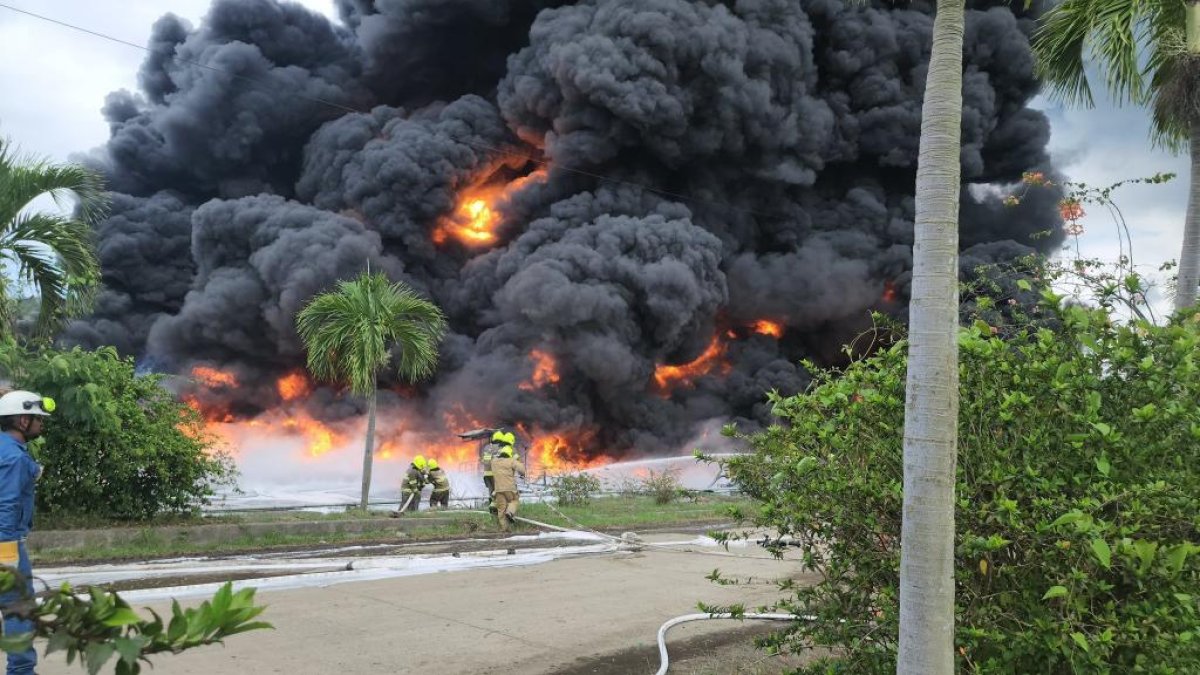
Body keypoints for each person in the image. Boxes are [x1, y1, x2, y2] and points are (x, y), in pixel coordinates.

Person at [0, 390, 52, 675]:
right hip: (6, 542)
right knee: (18, 609)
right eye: (37, 419)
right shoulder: (15, 459)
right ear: (23, 421)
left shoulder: (5, 449)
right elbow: (6, 505)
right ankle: (21, 671)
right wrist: (7, 555)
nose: (41, 424)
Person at [490, 443, 525, 532]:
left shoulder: (494, 461)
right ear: (509, 454)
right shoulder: (511, 461)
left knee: (501, 509)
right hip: (510, 488)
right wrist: (522, 474)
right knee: (514, 501)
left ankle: (505, 529)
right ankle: (510, 512)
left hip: (498, 490)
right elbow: (522, 469)